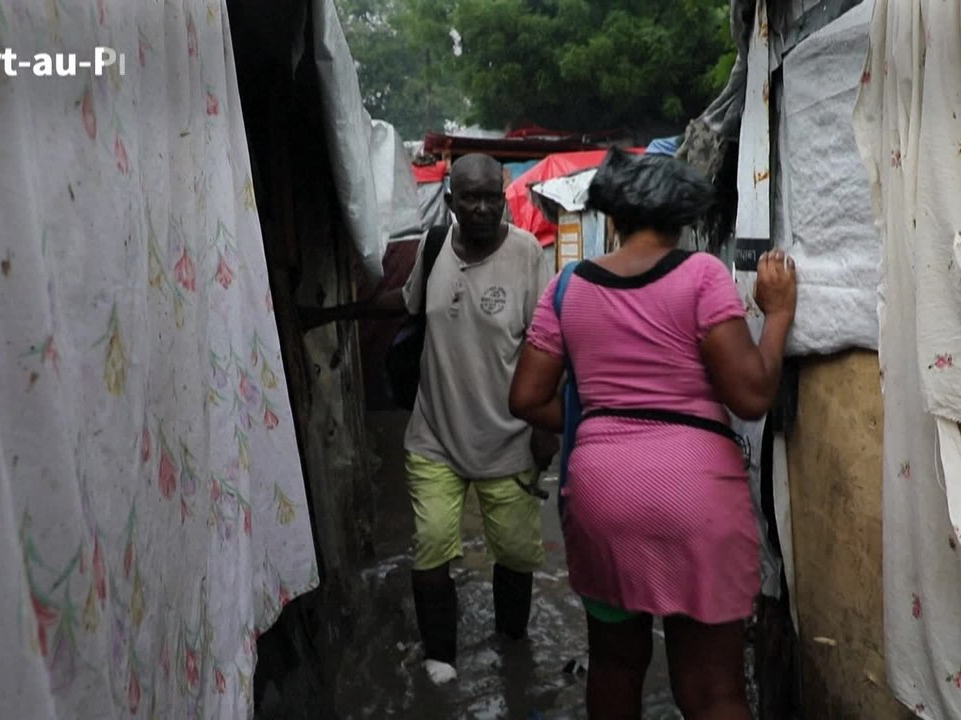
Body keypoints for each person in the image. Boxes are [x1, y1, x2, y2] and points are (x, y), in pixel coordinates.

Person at [508, 147, 797, 720]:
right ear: (683, 220)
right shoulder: (700, 275)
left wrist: (597, 422)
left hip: (600, 492)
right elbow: (752, 394)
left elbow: (526, 398)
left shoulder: (567, 286)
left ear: (612, 219)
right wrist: (779, 313)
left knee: (615, 666)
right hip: (695, 494)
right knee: (713, 688)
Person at [301, 153, 557, 685]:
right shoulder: (435, 244)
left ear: (505, 195)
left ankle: (514, 652)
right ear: (451, 200)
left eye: (493, 196)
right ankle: (441, 664)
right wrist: (332, 316)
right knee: (432, 547)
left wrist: (546, 427)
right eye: (471, 197)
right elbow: (408, 302)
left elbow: (552, 344)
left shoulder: (529, 254)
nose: (484, 207)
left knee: (514, 555)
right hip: (434, 438)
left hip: (508, 440)